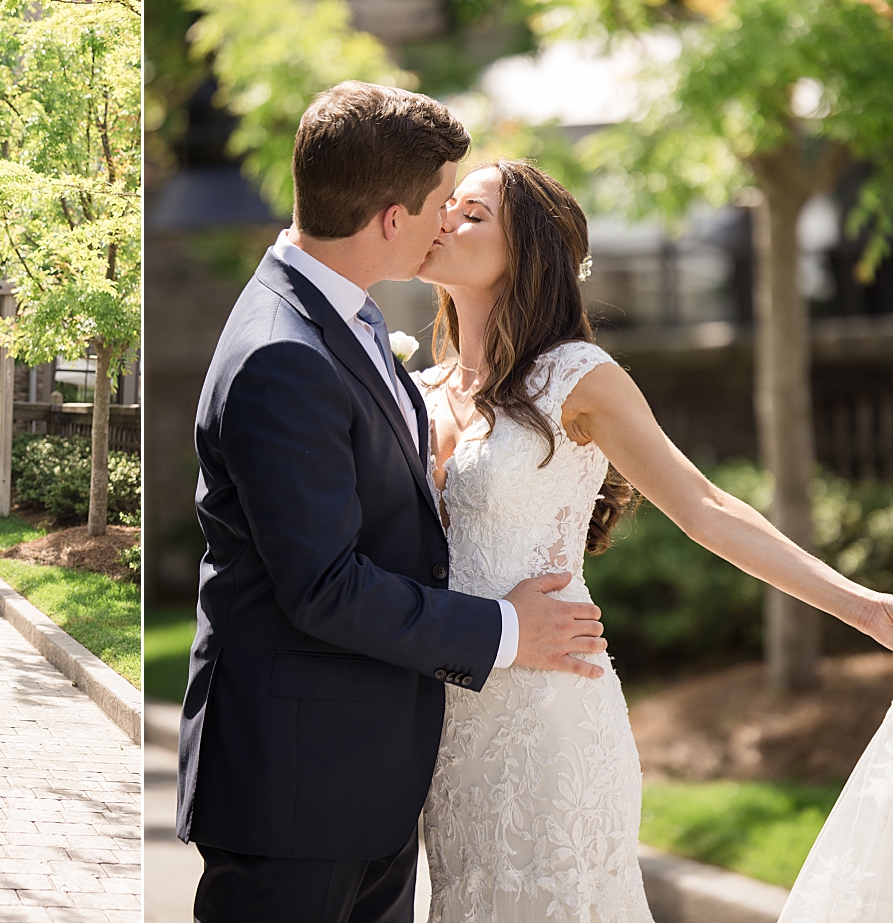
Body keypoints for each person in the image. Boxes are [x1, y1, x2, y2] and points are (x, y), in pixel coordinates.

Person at [413, 158, 893, 921]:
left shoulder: (575, 376)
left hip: (551, 717)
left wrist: (864, 607)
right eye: (446, 205)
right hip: (448, 717)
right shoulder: (417, 390)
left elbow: (703, 506)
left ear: (528, 251)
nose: (443, 220)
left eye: (471, 213)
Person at [178, 82, 612, 923]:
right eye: (444, 202)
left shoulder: (348, 317)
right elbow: (323, 587)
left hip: (362, 780)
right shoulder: (284, 353)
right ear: (391, 218)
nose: (448, 220)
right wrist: (510, 630)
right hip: (298, 792)